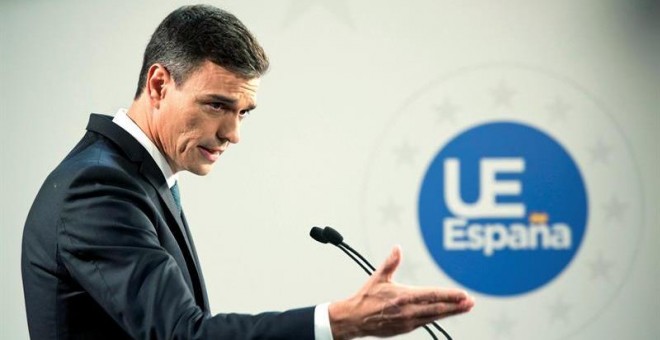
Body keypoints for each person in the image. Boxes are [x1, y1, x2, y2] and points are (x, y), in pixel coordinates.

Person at [21, 4, 474, 339]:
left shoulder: (135, 177)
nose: (232, 134)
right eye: (217, 105)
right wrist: (338, 321)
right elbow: (183, 334)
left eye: (244, 112)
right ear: (159, 84)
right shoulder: (98, 188)